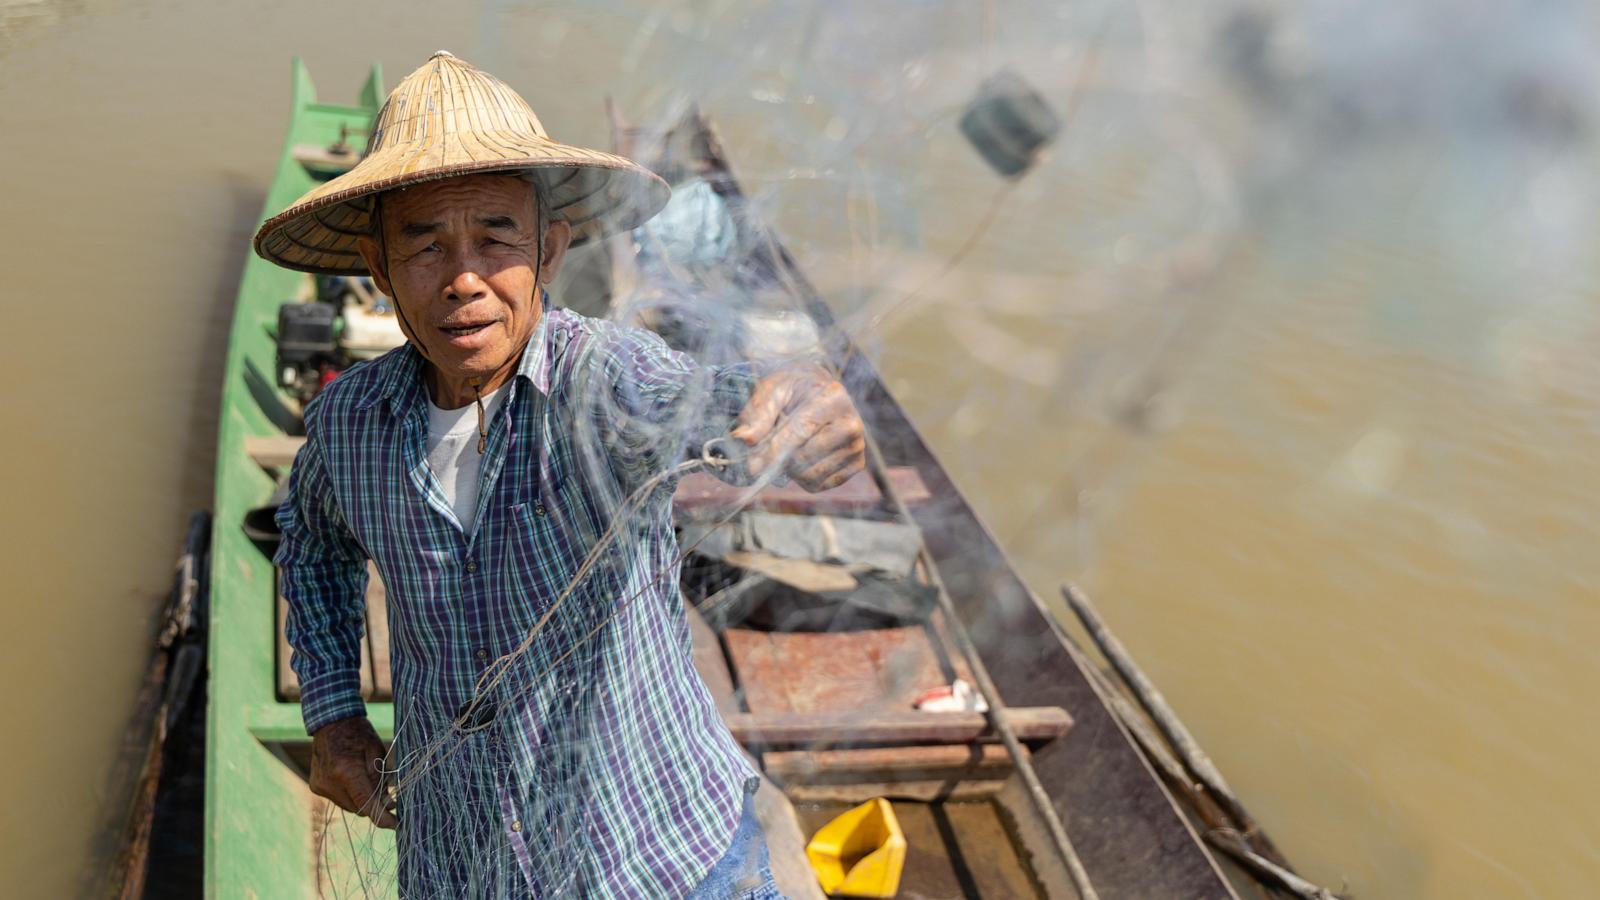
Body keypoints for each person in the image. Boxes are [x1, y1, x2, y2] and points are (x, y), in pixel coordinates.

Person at [255, 52, 866, 897]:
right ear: (379, 268)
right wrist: (332, 714)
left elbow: (706, 396)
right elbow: (313, 545)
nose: (464, 280)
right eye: (425, 245)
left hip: (661, 859)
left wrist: (803, 396)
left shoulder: (603, 380)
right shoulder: (349, 423)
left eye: (496, 238)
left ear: (549, 250)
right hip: (461, 863)